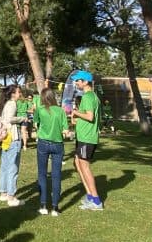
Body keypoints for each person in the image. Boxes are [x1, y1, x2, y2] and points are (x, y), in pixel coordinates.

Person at [71, 70, 104, 210]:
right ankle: (90, 196)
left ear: (85, 82)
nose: (76, 83)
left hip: (87, 138)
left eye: (78, 80)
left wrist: (75, 112)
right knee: (78, 163)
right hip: (83, 136)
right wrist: (77, 120)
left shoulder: (89, 97)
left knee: (85, 167)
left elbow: (90, 117)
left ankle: (96, 201)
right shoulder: (89, 96)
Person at [34, 88, 67, 216]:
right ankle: (54, 207)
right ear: (53, 97)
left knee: (42, 174)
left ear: (42, 98)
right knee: (56, 176)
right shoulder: (61, 111)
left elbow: (36, 123)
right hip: (57, 144)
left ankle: (43, 205)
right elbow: (65, 129)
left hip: (43, 143)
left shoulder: (39, 110)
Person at [0, 85, 24, 207]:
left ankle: (3, 193)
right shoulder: (12, 104)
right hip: (12, 137)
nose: (20, 94)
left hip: (6, 138)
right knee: (13, 168)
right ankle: (11, 197)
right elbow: (9, 118)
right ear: (13, 94)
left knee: (5, 167)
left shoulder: (5, 104)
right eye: (18, 92)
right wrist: (22, 118)